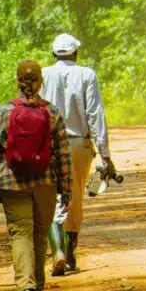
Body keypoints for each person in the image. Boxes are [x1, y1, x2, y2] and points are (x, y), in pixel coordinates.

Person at [0, 60, 72, 291]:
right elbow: (63, 154)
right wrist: (66, 188)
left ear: (17, 81)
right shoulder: (52, 112)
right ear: (40, 81)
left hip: (12, 182)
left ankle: (26, 287)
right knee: (40, 234)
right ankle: (38, 286)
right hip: (45, 182)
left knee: (20, 233)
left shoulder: (4, 111)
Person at [40, 33, 114, 276]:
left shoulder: (43, 74)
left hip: (49, 145)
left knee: (52, 198)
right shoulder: (87, 74)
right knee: (75, 199)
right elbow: (95, 114)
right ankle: (70, 257)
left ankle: (57, 251)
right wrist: (105, 155)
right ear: (75, 53)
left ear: (54, 54)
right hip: (78, 144)